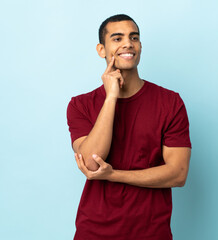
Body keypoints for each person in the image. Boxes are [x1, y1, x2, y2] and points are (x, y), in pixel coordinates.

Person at [67, 14, 192, 240]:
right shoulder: (80, 105)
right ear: (101, 49)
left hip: (151, 232)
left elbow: (178, 174)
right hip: (94, 232)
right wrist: (111, 97)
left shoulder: (170, 102)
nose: (128, 43)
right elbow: (91, 162)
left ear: (140, 46)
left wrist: (113, 175)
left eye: (134, 37)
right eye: (117, 38)